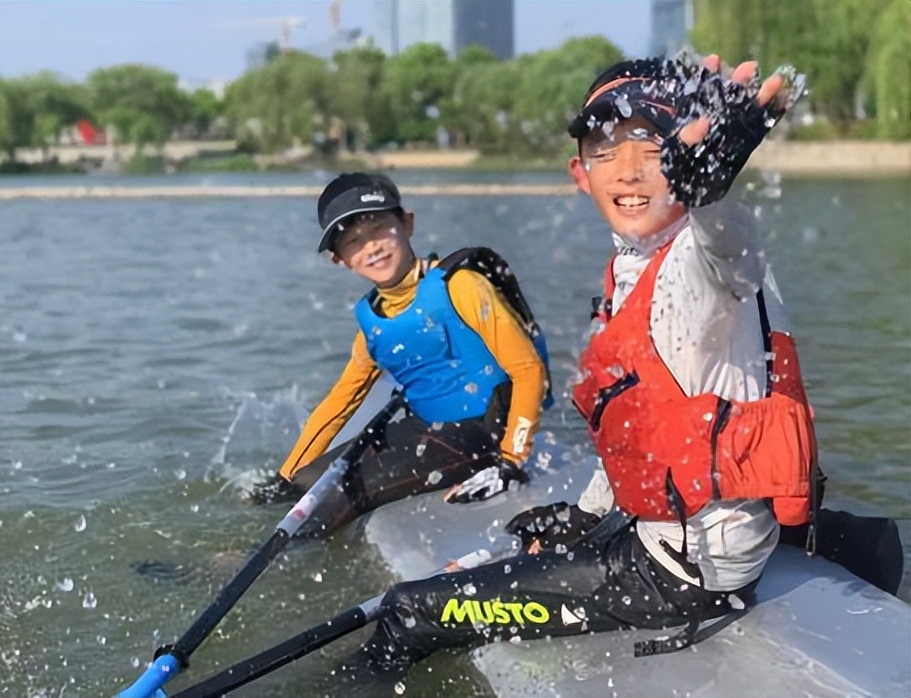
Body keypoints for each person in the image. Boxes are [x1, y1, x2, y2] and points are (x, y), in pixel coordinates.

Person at [347, 52, 824, 673]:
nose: (628, 171)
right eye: (605, 151)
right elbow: (644, 422)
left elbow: (731, 253)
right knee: (529, 537)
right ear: (579, 173)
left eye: (653, 146)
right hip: (660, 532)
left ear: (689, 154)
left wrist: (712, 197)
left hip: (685, 573)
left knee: (412, 612)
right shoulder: (635, 258)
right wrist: (590, 512)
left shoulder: (702, 254)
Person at [264, 171, 553, 536]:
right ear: (340, 260)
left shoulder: (461, 285)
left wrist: (512, 460)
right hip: (422, 429)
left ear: (407, 223)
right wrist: (286, 475)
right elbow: (340, 402)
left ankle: (252, 561)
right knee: (305, 484)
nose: (371, 246)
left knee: (329, 501)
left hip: (480, 435)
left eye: (379, 229)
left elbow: (527, 369)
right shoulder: (371, 322)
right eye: (354, 241)